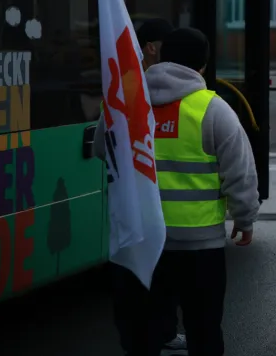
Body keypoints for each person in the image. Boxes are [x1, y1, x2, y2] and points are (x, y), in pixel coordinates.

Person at [139, 26, 260, 355]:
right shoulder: (213, 109)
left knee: (146, 328)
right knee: (204, 329)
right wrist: (244, 218)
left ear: (160, 56)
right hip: (199, 245)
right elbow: (241, 172)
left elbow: (102, 151)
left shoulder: (132, 105)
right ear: (203, 66)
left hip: (145, 239)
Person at [98, 18, 187, 355]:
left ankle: (155, 335)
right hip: (158, 208)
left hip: (147, 208)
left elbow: (98, 146)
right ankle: (159, 333)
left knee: (148, 282)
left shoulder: (128, 90)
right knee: (155, 279)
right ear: (152, 47)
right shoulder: (139, 90)